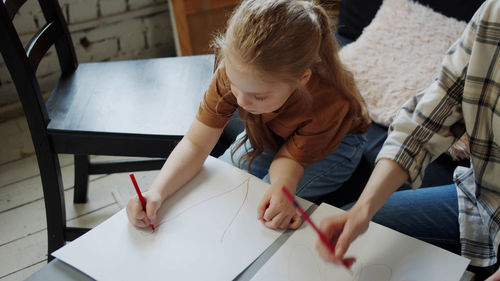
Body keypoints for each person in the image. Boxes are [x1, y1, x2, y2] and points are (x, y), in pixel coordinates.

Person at [126, 0, 370, 231]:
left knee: (265, 210)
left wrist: (281, 189)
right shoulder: (237, 72)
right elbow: (196, 143)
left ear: (301, 79)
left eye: (259, 96)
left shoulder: (328, 100)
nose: (241, 101)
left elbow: (291, 160)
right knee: (218, 186)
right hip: (271, 132)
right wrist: (157, 191)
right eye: (234, 85)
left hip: (335, 145)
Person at [314, 0, 500, 279]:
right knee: (355, 222)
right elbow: (431, 114)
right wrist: (364, 210)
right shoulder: (493, 13)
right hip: (482, 198)